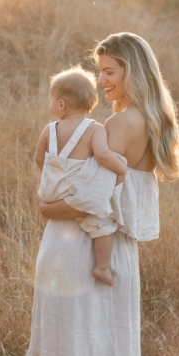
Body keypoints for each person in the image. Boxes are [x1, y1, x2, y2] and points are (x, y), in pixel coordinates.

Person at [16, 32, 179, 356]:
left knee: (72, 338)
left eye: (110, 71)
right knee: (104, 339)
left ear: (134, 71)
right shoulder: (149, 120)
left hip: (78, 244)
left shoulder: (115, 126)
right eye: (100, 71)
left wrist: (45, 207)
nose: (101, 80)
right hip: (115, 252)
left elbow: (87, 201)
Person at [33, 67, 126, 287]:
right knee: (103, 223)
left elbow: (39, 160)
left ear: (61, 104)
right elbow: (103, 155)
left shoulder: (49, 129)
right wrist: (121, 169)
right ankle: (102, 267)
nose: (50, 104)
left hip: (50, 192)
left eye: (51, 99)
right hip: (75, 192)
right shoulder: (94, 129)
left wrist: (54, 179)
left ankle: (53, 198)